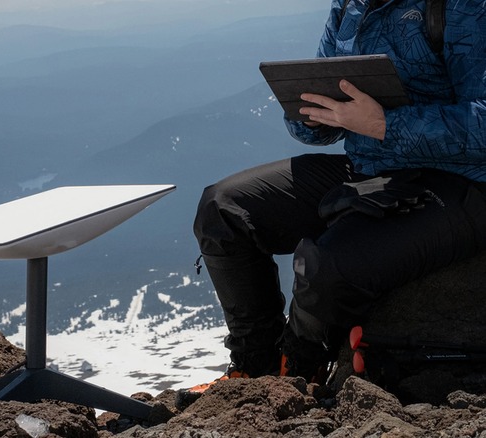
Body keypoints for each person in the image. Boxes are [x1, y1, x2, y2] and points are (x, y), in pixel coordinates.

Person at [190, 0, 486, 389]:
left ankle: (297, 371)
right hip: (369, 166)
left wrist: (385, 125)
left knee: (325, 266)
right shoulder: (350, 5)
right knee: (224, 208)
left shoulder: (464, 6)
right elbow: (320, 119)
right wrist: (312, 116)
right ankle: (254, 364)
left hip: (459, 183)